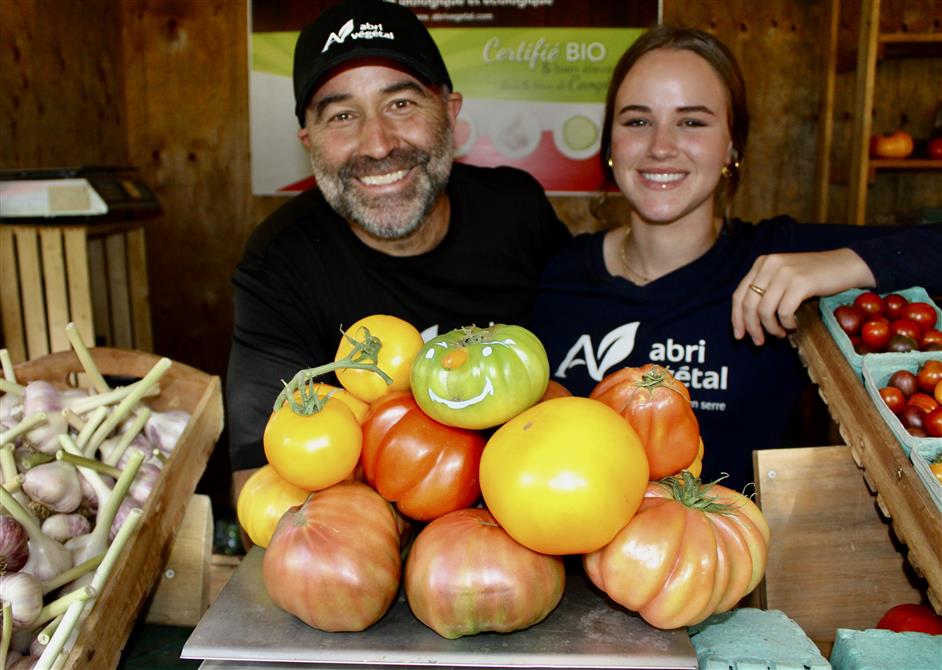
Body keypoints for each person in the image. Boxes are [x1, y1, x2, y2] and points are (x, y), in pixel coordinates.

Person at [531, 25, 942, 490]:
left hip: (736, 554)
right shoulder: (555, 271)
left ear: (732, 147)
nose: (661, 146)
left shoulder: (776, 257)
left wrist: (844, 263)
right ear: (610, 145)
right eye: (637, 121)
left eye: (692, 121)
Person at [226, 0, 571, 502]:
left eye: (401, 104)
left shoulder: (516, 211)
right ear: (310, 142)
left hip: (539, 511)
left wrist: (730, 263)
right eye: (342, 115)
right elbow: (258, 484)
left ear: (449, 113)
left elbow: (607, 289)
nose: (378, 144)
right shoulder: (280, 262)